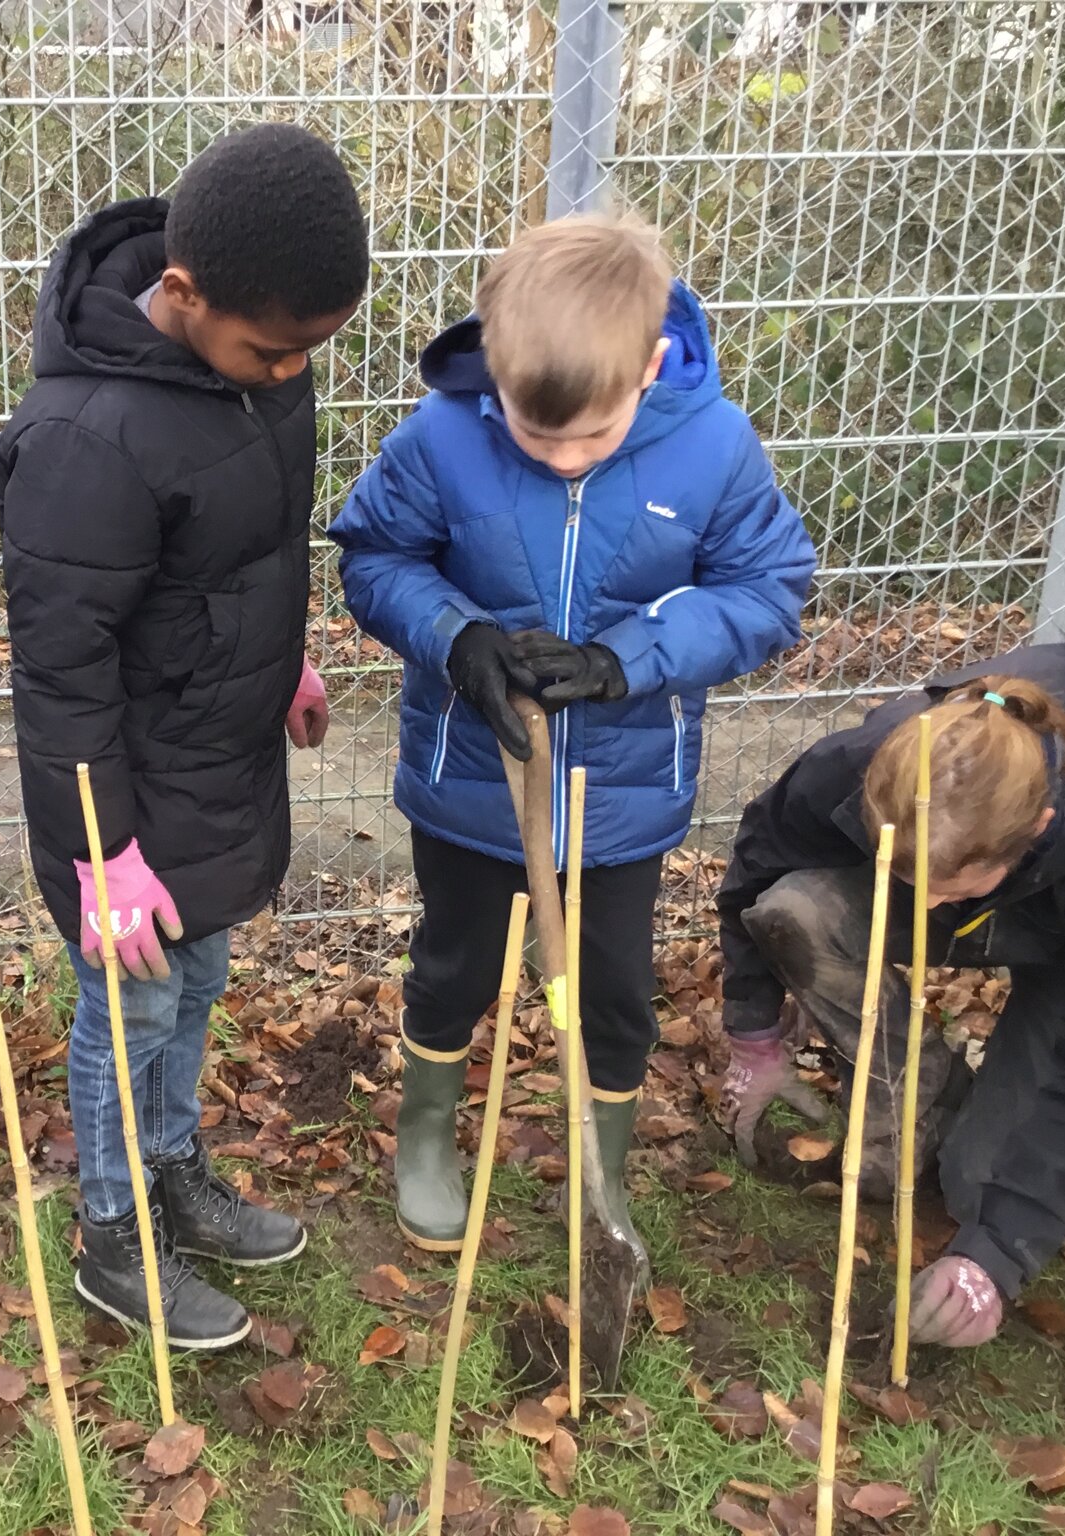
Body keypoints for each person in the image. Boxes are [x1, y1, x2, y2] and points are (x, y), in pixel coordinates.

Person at [329, 213, 815, 1253]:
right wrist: (455, 636)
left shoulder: (713, 447)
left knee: (613, 994)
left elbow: (765, 588)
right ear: (492, 365)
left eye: (585, 437)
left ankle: (601, 1175)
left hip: (621, 795)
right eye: (526, 428)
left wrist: (625, 658)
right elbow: (373, 560)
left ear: (646, 369)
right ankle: (425, 1138)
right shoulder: (441, 435)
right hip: (472, 774)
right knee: (453, 966)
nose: (554, 455)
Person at [0, 122, 365, 1350]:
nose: (290, 371)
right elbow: (61, 677)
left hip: (218, 751)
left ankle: (173, 1171)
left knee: (196, 980)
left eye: (311, 350)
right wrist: (102, 856)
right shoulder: (83, 439)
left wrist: (285, 657)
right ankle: (111, 1233)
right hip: (126, 800)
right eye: (272, 349)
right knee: (127, 1010)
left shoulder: (259, 365)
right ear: (182, 292)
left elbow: (247, 549)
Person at [718, 646, 1065, 1347]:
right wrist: (754, 1034)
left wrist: (997, 1256)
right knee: (794, 912)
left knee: (981, 1189)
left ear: (1035, 831)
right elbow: (753, 871)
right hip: (966, 883)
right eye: (910, 873)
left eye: (948, 882)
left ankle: (992, 1164)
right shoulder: (868, 760)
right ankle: (922, 1095)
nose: (923, 902)